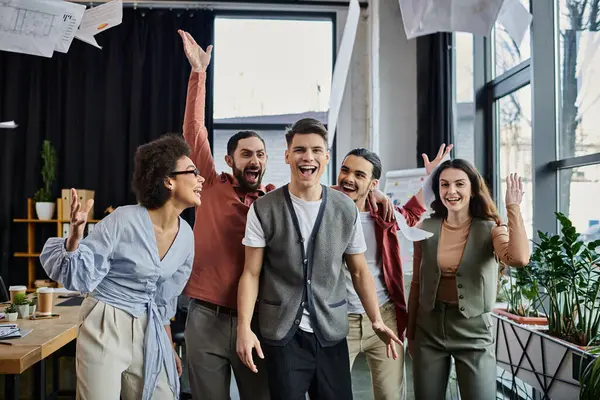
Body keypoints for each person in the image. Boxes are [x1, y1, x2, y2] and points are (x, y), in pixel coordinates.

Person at [236, 118, 401, 400]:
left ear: (326, 157)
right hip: (281, 332)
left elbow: (359, 271)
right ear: (287, 156)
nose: (308, 157)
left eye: (316, 150)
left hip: (332, 332)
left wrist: (376, 319)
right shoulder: (263, 209)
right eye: (299, 149)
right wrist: (243, 328)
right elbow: (251, 273)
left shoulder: (345, 208)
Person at [40, 134, 203, 400]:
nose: (201, 178)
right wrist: (73, 240)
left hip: (148, 326)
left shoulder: (186, 235)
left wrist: (168, 345)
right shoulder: (123, 220)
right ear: (168, 180)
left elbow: (164, 299)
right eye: (193, 172)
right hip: (105, 320)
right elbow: (78, 277)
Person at [177, 29, 272, 399]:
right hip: (206, 318)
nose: (255, 159)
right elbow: (193, 130)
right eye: (246, 153)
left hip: (259, 321)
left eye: (260, 153)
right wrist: (199, 73)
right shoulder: (212, 186)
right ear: (230, 160)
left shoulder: (276, 201)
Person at [407, 159, 530, 400]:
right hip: (428, 329)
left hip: (473, 332)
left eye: (459, 184)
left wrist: (513, 207)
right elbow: (417, 283)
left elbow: (519, 258)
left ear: (473, 189)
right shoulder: (427, 226)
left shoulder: (491, 228)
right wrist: (411, 333)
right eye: (444, 185)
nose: (451, 191)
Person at [336, 144, 451, 400]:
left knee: (390, 395)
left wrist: (433, 177)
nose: (349, 179)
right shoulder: (324, 205)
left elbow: (411, 213)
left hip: (385, 316)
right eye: (345, 170)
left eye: (359, 175)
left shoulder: (383, 213)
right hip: (339, 319)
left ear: (373, 183)